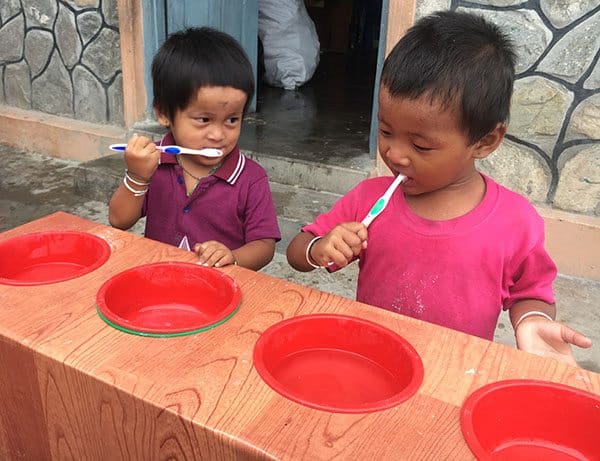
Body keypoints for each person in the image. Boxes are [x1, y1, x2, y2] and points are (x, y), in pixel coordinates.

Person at [286, 11, 592, 365]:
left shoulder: (515, 222)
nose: (394, 154)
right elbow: (298, 252)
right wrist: (320, 248)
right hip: (373, 360)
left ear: (485, 140)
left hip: (455, 371)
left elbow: (531, 292)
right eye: (386, 132)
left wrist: (533, 321)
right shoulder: (370, 199)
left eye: (421, 145)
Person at [109, 27, 280, 270]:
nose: (218, 135)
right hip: (159, 278)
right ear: (163, 113)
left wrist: (233, 257)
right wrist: (137, 176)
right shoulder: (153, 161)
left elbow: (264, 245)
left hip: (219, 290)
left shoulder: (250, 178)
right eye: (203, 120)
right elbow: (119, 220)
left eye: (232, 119)